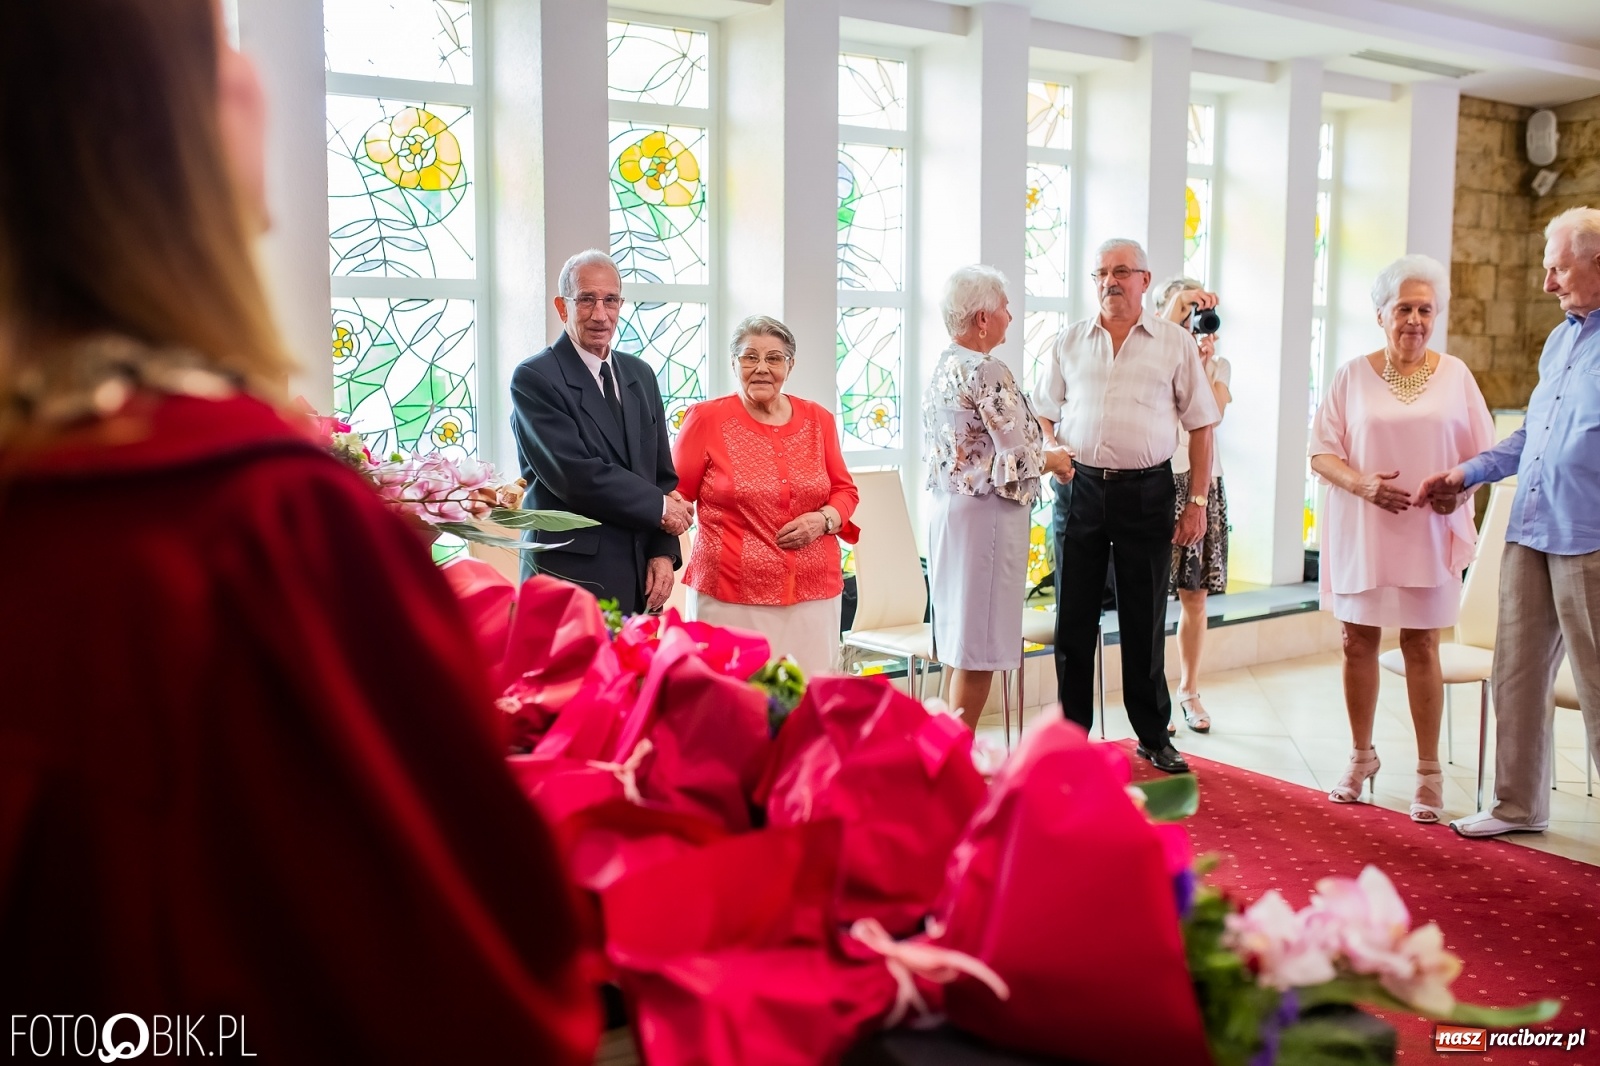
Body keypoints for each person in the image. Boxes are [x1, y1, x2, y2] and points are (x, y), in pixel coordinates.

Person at [0, 2, 597, 1061]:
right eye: (216, 40)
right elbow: (464, 983)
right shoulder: (255, 526)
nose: (251, 75)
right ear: (158, 124)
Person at [1415, 207, 1600, 839]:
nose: (1547, 283)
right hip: (1531, 525)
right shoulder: (1560, 339)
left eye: (1558, 268)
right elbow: (1533, 436)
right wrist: (1467, 473)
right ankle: (1517, 807)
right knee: (1516, 672)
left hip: (1591, 538)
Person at [1309, 254, 1493, 823]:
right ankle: (1361, 757)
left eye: (1425, 310)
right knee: (1355, 642)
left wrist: (1458, 494)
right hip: (1365, 529)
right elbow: (1320, 453)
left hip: (1427, 531)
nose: (1415, 320)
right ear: (1380, 314)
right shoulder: (1351, 375)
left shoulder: (1456, 374)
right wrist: (1363, 484)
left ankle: (1428, 772)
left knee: (1421, 646)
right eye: (1404, 309)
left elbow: (1483, 457)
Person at [1033, 239, 1220, 774]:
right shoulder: (1069, 340)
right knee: (1074, 618)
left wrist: (1199, 501)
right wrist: (1054, 444)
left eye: (1121, 272)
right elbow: (1045, 412)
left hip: (1147, 492)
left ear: (1144, 279)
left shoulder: (1174, 344)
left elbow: (1202, 425)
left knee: (1144, 617)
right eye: (1100, 273)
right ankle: (1070, 737)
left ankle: (1152, 734)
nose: (1109, 282)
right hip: (1079, 489)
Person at [927, 266, 1073, 730]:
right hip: (987, 516)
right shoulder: (986, 368)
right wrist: (1056, 459)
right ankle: (958, 768)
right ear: (983, 318)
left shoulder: (946, 363)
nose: (1011, 315)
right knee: (980, 646)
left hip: (952, 511)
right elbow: (1014, 458)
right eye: (1006, 306)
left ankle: (945, 756)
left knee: (959, 639)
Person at [672, 315, 860, 676]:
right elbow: (676, 496)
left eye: (774, 358)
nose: (761, 368)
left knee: (809, 701)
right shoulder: (705, 419)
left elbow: (844, 490)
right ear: (733, 363)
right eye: (749, 357)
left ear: (790, 365)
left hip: (813, 593)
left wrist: (823, 520)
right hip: (729, 595)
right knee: (735, 704)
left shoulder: (819, 419)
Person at [510, 249, 688, 615]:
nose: (600, 314)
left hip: (640, 578)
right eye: (586, 300)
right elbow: (577, 475)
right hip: (568, 578)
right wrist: (659, 508)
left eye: (610, 300)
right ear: (562, 307)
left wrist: (662, 552)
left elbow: (660, 477)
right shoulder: (535, 378)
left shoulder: (641, 374)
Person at [1158, 276, 1232, 735]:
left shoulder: (1218, 363)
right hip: (1159, 478)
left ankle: (1189, 689)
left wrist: (1202, 367)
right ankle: (1152, 697)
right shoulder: (1154, 360)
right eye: (1183, 312)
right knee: (1146, 596)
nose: (1191, 322)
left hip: (1204, 482)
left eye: (1196, 314)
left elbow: (1212, 415)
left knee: (1195, 595)